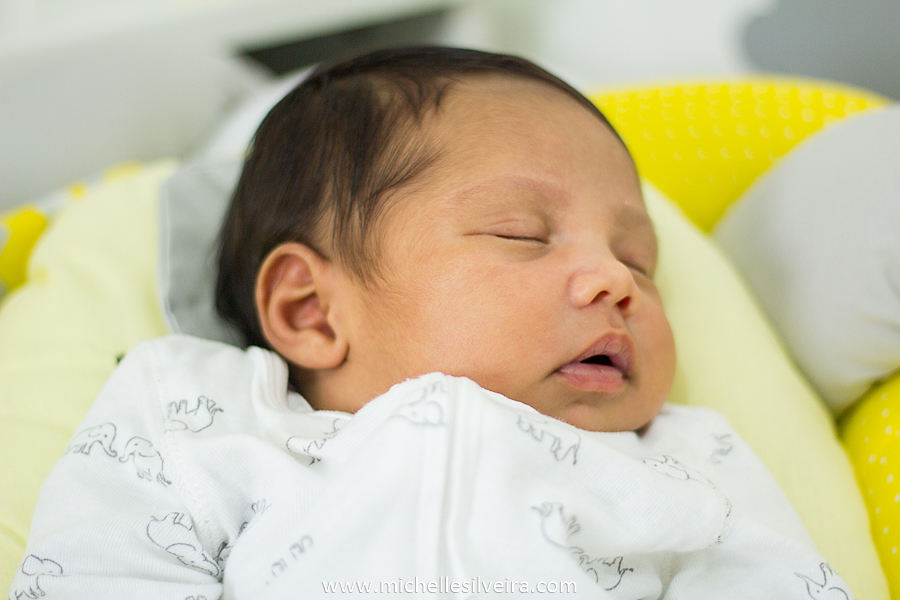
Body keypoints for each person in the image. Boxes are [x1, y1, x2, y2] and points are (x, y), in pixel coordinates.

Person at [8, 47, 853, 599]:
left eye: (639, 261)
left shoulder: (684, 460)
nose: (616, 282)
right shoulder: (204, 419)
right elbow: (99, 570)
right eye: (523, 235)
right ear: (310, 310)